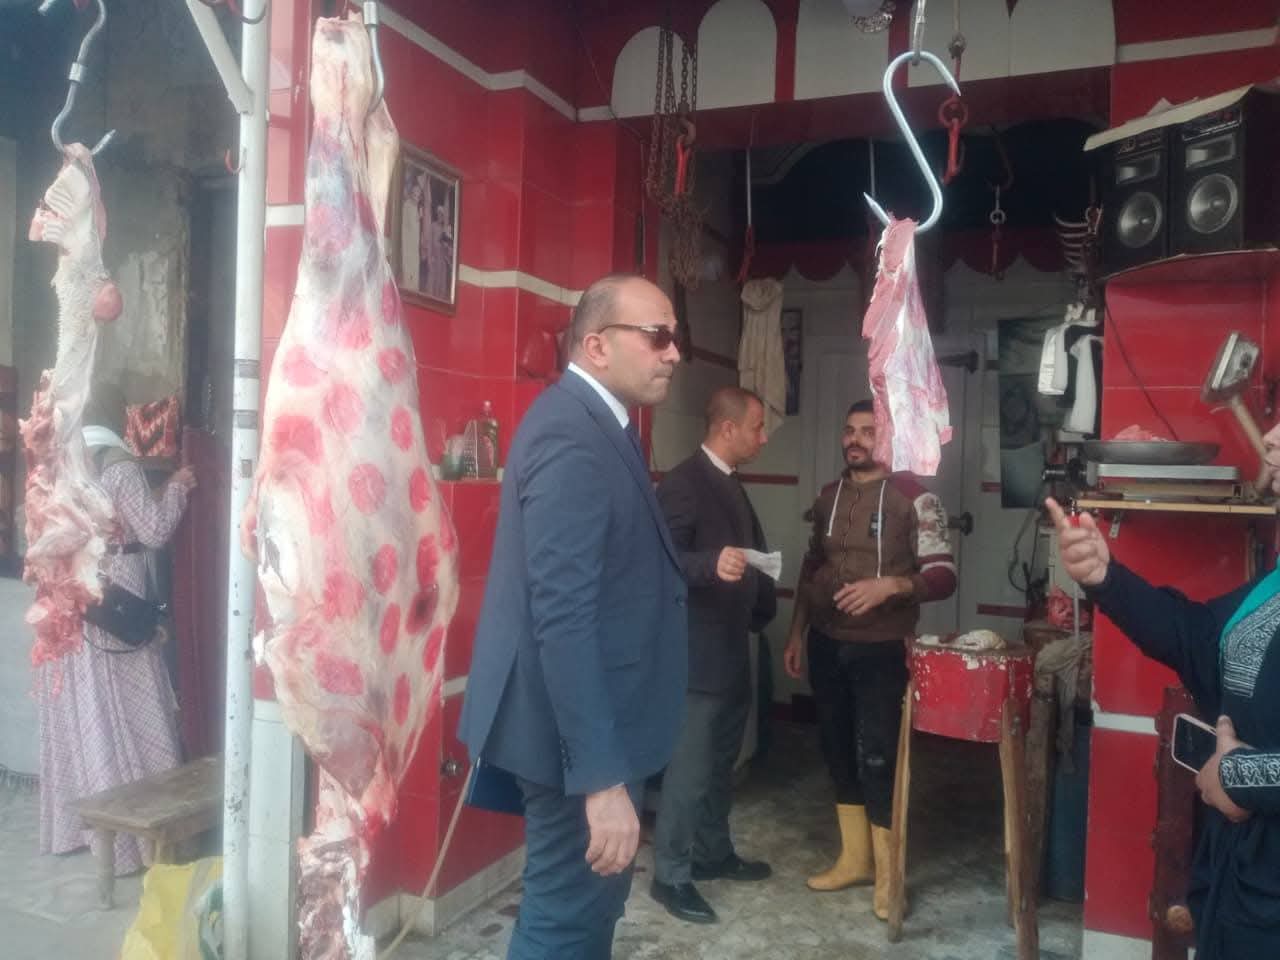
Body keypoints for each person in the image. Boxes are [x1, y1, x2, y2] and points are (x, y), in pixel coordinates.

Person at [458, 274, 687, 959]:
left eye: (674, 338)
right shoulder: (570, 434)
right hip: (574, 742)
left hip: (597, 726)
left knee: (588, 913)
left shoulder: (603, 425)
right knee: (565, 921)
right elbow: (562, 617)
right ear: (596, 346)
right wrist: (599, 777)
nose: (674, 353)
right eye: (658, 336)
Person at [1047, 472, 1280, 960]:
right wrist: (1107, 580)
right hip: (1243, 882)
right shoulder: (1274, 586)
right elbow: (1195, 637)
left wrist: (1240, 776)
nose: (1273, 440)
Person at [782, 399, 956, 918]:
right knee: (836, 748)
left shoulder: (917, 499)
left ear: (889, 438)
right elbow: (810, 569)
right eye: (849, 430)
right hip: (826, 641)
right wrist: (796, 633)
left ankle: (889, 876)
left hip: (882, 647)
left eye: (867, 431)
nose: (855, 439)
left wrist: (891, 586)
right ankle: (855, 860)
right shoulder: (827, 496)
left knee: (878, 757)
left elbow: (944, 575)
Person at [38, 379, 197, 875]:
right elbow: (153, 530)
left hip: (78, 597)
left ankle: (83, 832)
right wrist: (178, 488)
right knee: (137, 707)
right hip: (119, 598)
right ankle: (144, 839)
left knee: (91, 712)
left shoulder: (64, 467)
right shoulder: (121, 466)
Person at [650, 386, 777, 924]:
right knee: (689, 770)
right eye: (757, 427)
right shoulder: (684, 484)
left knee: (721, 763)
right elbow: (658, 560)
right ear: (728, 428)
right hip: (696, 656)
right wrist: (708, 565)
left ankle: (712, 853)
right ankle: (670, 876)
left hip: (731, 649)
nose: (763, 438)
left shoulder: (729, 482)